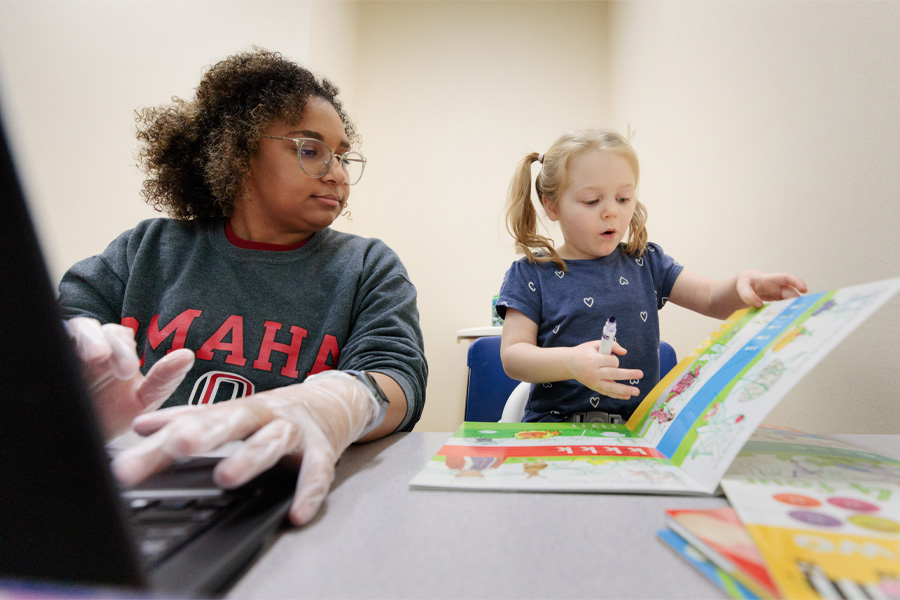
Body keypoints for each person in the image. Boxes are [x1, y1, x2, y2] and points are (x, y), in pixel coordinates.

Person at [58, 48, 427, 526]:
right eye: (310, 150)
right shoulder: (147, 250)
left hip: (283, 503)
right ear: (239, 153)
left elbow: (397, 375)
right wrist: (75, 383)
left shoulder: (366, 267)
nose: (337, 174)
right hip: (132, 493)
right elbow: (64, 324)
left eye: (342, 156)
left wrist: (338, 403)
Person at [497, 129, 805, 424]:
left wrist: (743, 285)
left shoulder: (646, 262)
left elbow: (712, 300)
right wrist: (570, 362)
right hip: (555, 431)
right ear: (551, 206)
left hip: (638, 434)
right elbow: (513, 356)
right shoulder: (531, 274)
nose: (611, 212)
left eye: (623, 198)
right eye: (592, 201)